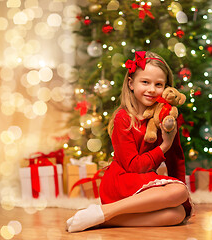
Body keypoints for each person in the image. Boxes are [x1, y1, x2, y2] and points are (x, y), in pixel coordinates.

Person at [66, 51, 193, 233]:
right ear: (131, 83)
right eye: (145, 82)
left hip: (144, 183)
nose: (151, 89)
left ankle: (104, 219)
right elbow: (134, 166)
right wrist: (164, 145)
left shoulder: (166, 118)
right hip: (122, 181)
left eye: (158, 85)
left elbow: (176, 160)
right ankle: (106, 210)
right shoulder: (123, 118)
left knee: (178, 214)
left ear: (166, 89)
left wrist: (184, 203)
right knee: (179, 192)